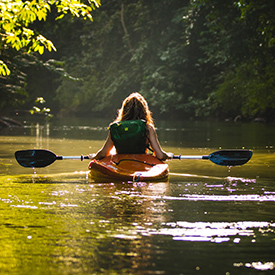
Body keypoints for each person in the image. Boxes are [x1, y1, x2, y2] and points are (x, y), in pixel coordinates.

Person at [89, 92, 173, 160]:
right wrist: (168, 155)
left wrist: (94, 156)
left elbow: (104, 153)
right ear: (144, 110)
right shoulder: (147, 128)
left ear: (124, 110)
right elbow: (160, 156)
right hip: (141, 164)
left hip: (120, 164)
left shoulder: (116, 128)